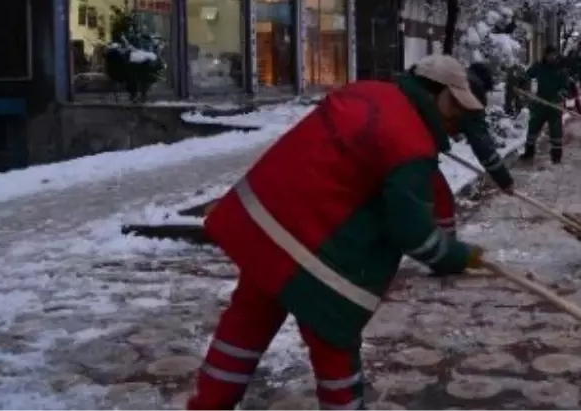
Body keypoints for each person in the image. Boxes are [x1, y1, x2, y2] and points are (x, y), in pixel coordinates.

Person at [186, 55, 487, 411]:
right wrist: (457, 256)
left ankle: (207, 405)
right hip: (312, 250)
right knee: (334, 345)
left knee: (245, 325)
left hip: (267, 226)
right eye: (454, 106)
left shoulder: (367, 93)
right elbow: (414, 234)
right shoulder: (410, 142)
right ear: (436, 93)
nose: (455, 120)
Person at [433, 62, 515, 237]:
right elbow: (481, 143)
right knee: (441, 202)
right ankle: (447, 253)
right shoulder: (471, 94)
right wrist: (505, 181)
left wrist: (438, 139)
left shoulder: (454, 81)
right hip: (411, 150)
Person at [521, 46, 570, 164]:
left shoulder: (561, 69)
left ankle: (556, 155)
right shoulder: (539, 67)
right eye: (549, 55)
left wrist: (560, 95)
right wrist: (523, 84)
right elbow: (527, 76)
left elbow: (566, 88)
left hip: (555, 105)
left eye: (553, 55)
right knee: (533, 127)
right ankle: (529, 151)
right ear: (545, 55)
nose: (551, 57)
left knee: (556, 131)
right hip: (540, 103)